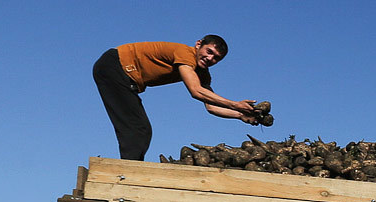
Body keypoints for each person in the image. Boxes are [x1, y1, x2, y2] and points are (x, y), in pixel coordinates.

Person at [92, 36, 268, 161]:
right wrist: (236, 104)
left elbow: (211, 107)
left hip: (124, 77)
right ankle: (127, 175)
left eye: (216, 58)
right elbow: (195, 91)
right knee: (139, 128)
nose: (210, 58)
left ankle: (130, 170)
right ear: (198, 44)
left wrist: (239, 115)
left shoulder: (202, 74)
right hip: (114, 65)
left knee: (140, 128)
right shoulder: (185, 53)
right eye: (209, 51)